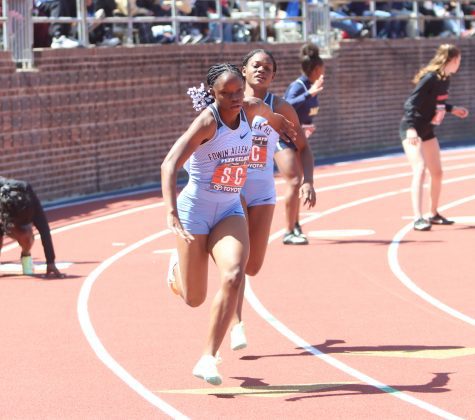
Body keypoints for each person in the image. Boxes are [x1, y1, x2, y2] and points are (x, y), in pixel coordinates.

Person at [160, 63, 296, 386]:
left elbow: (267, 112)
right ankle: (176, 269)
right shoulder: (207, 123)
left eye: (238, 91)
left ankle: (208, 357)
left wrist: (280, 125)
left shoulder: (250, 108)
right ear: (213, 94)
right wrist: (171, 212)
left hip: (229, 209)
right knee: (194, 298)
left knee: (235, 274)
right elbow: (169, 165)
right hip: (196, 211)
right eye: (227, 93)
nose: (236, 98)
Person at [226, 48, 318, 352]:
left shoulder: (281, 108)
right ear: (243, 70)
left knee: (252, 267)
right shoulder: (229, 105)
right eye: (256, 65)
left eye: (267, 67)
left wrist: (308, 182)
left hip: (263, 190)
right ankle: (236, 323)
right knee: (237, 264)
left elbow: (302, 147)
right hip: (233, 190)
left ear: (274, 75)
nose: (261, 70)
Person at [399, 44, 469, 231]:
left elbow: (436, 103)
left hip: (427, 130)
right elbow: (411, 103)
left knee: (437, 172)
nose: (459, 64)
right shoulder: (429, 78)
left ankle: (434, 213)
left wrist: (452, 109)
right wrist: (411, 129)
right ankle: (417, 218)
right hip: (411, 128)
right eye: (459, 61)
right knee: (420, 169)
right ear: (452, 60)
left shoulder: (444, 79)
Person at [274, 45, 323, 245]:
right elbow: (287, 105)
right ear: (316, 69)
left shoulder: (312, 86)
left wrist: (308, 127)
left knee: (300, 183)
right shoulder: (300, 86)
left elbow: (303, 114)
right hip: (282, 139)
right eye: (323, 68)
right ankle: (288, 230)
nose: (324, 72)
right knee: (294, 182)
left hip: (298, 140)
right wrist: (309, 94)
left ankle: (296, 225)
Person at [0, 177, 65, 278]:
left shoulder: (32, 205)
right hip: (4, 210)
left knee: (25, 236)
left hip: (19, 217)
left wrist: (50, 262)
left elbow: (44, 230)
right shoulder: (5, 195)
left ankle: (25, 254)